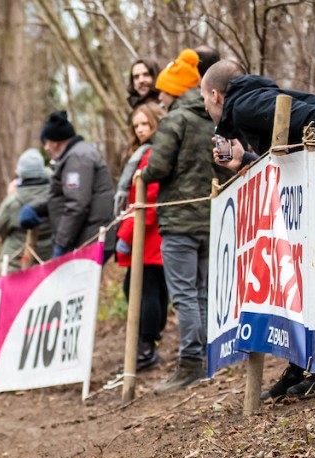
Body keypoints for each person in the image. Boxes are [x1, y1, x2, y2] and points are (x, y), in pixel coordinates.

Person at [201, 59, 315, 400]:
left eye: (204, 100)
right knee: (299, 266)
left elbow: (309, 118)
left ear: (216, 95)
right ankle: (304, 362)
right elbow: (287, 147)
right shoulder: (248, 105)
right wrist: (246, 162)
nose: (205, 107)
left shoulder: (246, 103)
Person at [140, 48, 233, 394]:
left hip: (179, 220)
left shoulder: (175, 120)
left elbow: (158, 168)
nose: (160, 96)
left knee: (184, 296)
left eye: (164, 90)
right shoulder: (214, 118)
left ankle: (191, 364)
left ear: (175, 90)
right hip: (210, 218)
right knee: (203, 293)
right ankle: (208, 360)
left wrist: (142, 175)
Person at [114, 103, 169, 372]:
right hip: (147, 233)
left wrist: (125, 234)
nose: (140, 130)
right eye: (136, 126)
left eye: (145, 124)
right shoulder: (145, 152)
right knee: (147, 290)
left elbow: (147, 198)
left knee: (145, 290)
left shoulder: (153, 154)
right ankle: (148, 343)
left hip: (149, 235)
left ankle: (147, 345)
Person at [20, 110, 114, 258]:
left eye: (46, 142)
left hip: (89, 240)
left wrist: (61, 244)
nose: (46, 148)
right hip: (84, 239)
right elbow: (62, 194)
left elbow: (77, 204)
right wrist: (34, 207)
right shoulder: (74, 156)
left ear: (56, 141)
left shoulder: (78, 159)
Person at [0, 149, 53, 271]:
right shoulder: (54, 196)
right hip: (47, 264)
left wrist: (10, 195)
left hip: (15, 265)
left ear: (21, 174)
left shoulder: (13, 202)